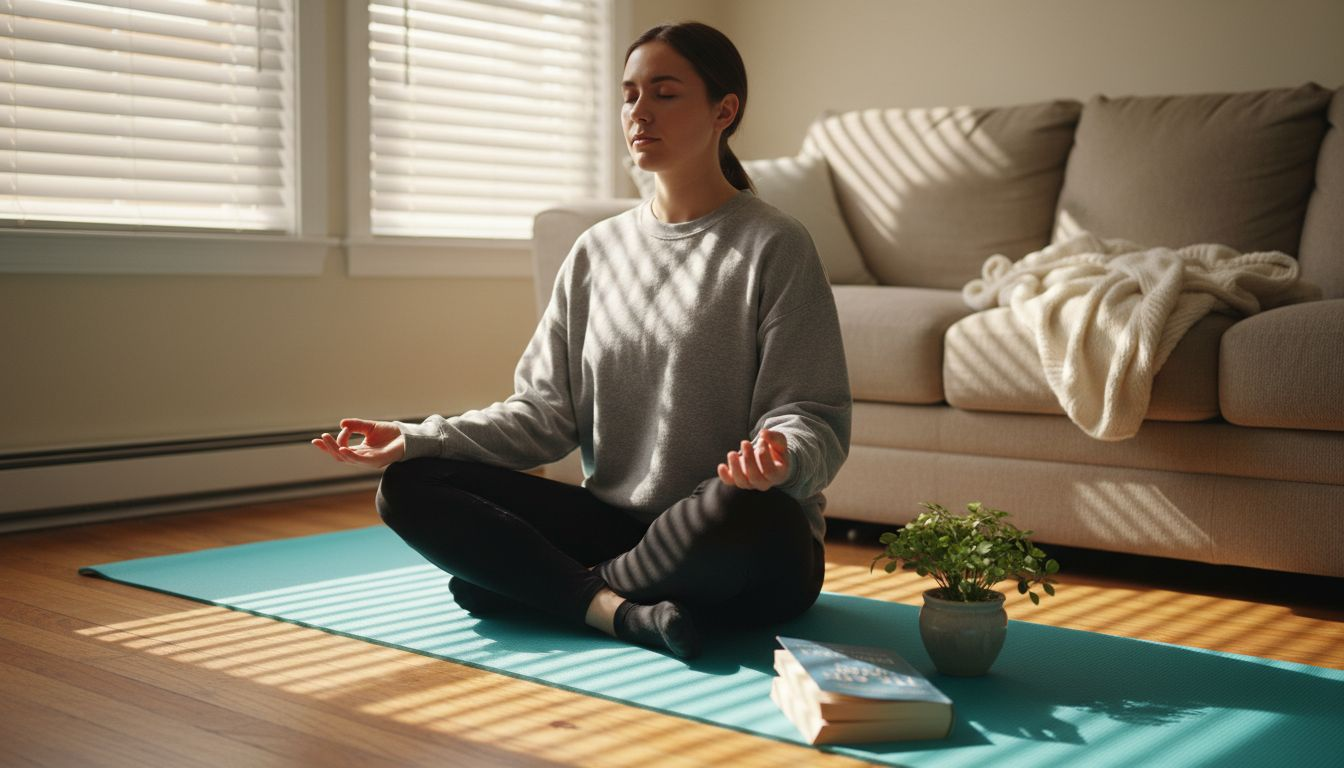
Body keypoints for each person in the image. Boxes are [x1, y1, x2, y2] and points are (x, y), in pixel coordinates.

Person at [312, 21, 851, 660]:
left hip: (736, 539)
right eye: (629, 95)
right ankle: (610, 610)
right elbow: (542, 415)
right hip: (618, 532)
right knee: (408, 484)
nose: (639, 113)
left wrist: (780, 457)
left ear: (723, 110)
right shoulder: (596, 252)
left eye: (665, 93)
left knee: (752, 510)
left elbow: (810, 414)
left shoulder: (774, 245)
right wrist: (418, 437)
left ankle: (536, 587)